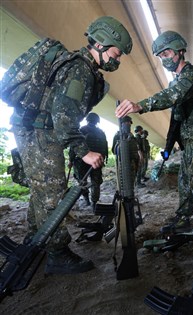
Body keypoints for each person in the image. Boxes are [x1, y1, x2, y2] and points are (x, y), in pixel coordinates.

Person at [9, 16, 132, 274]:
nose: (116, 60)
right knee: (53, 195)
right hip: (41, 133)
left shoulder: (79, 66)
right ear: (100, 44)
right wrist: (84, 152)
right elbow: (63, 115)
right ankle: (57, 253)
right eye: (116, 53)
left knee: (42, 192)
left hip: (34, 130)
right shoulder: (81, 69)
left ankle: (35, 240)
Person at [115, 30, 193, 230]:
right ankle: (184, 216)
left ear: (180, 51)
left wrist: (141, 105)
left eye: (167, 54)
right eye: (161, 56)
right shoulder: (178, 79)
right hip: (191, 143)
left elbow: (172, 95)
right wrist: (168, 145)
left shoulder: (192, 76)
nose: (164, 59)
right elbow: (176, 120)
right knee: (184, 182)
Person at [69, 112, 108, 208]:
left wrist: (70, 160)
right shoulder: (101, 132)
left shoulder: (81, 130)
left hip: (81, 161)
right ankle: (94, 203)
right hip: (96, 161)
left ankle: (87, 200)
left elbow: (74, 147)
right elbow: (105, 148)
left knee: (82, 182)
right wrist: (103, 159)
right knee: (96, 182)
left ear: (87, 120)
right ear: (97, 121)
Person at [112, 116, 140, 188]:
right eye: (126, 122)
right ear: (122, 124)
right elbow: (114, 151)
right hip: (123, 163)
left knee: (132, 182)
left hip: (133, 161)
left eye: (129, 123)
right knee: (123, 184)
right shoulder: (118, 135)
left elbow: (136, 148)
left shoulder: (131, 135)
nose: (128, 124)